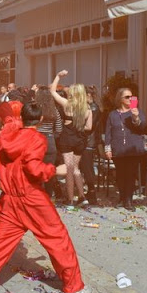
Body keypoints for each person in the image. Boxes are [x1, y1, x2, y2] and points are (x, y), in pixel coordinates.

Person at [0, 102, 92, 293]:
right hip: (31, 197)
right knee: (57, 238)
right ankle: (73, 286)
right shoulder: (36, 138)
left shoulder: (7, 136)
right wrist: (55, 170)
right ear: (39, 120)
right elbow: (33, 167)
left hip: (10, 198)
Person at [49, 71, 92, 206]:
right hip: (80, 141)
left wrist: (58, 76)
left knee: (69, 169)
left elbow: (53, 92)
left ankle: (70, 199)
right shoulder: (87, 109)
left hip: (67, 140)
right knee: (76, 169)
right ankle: (82, 196)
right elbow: (89, 127)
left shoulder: (67, 104)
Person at [104, 87, 146, 211]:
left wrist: (135, 117)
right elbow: (108, 132)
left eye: (132, 97)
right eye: (127, 97)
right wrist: (107, 149)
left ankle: (129, 200)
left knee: (130, 175)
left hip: (133, 149)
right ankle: (122, 198)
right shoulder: (113, 114)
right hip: (118, 149)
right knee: (120, 175)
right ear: (120, 99)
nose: (130, 99)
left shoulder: (137, 111)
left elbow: (142, 127)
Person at [34, 87, 63, 199]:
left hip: (36, 140)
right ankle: (48, 196)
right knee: (49, 171)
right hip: (50, 142)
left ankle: (36, 196)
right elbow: (59, 128)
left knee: (35, 170)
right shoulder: (53, 110)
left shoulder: (35, 108)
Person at [80, 85, 102, 204]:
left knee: (88, 167)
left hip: (88, 141)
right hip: (88, 140)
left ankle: (92, 192)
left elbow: (90, 126)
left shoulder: (93, 108)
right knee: (86, 167)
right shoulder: (92, 107)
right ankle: (89, 191)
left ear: (88, 95)